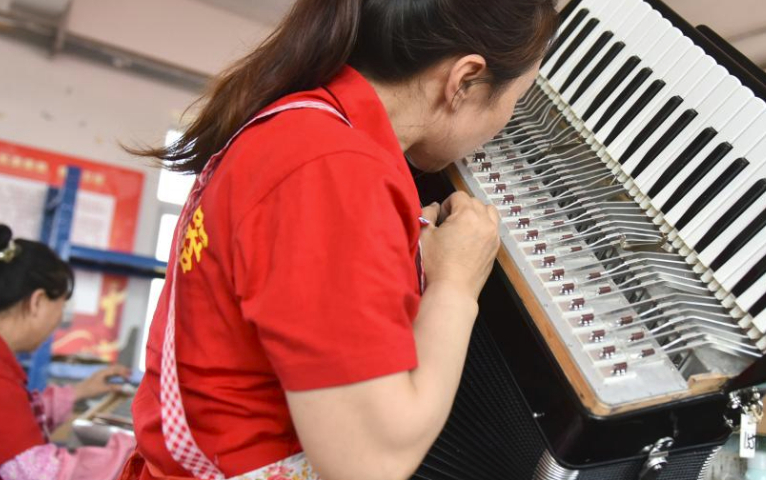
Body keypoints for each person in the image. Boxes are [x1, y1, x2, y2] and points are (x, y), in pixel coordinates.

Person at [123, 0, 558, 479]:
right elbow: (370, 463)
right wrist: (455, 284)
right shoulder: (334, 170)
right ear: (465, 81)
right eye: (518, 97)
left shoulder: (301, 129)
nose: (507, 119)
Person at [0, 224, 136, 480]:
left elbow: (10, 420)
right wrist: (133, 448)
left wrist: (81, 391)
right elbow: (46, 475)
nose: (58, 322)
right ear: (37, 301)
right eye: (61, 308)